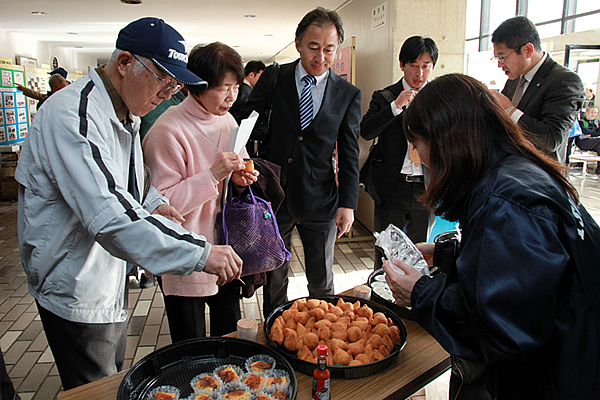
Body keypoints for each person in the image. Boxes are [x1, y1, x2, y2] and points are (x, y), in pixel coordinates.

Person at [14, 17, 242, 390]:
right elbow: (110, 215)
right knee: (96, 387)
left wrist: (154, 204)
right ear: (124, 63)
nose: (169, 93)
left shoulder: (124, 112)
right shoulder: (75, 116)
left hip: (107, 274)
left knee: (111, 377)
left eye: (175, 84)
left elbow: (134, 185)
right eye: (164, 80)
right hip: (76, 281)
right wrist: (201, 253)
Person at [383, 73, 600, 399]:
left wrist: (421, 293)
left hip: (547, 377)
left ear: (446, 141)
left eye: (418, 144)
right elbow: (519, 273)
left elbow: (498, 327)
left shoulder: (507, 201)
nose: (419, 156)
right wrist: (446, 254)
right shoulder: (513, 173)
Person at [243, 7, 361, 318]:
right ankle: (275, 332)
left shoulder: (347, 94)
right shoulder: (275, 77)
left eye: (329, 49)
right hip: (275, 196)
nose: (320, 57)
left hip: (321, 199)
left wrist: (348, 203)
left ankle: (323, 338)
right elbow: (247, 122)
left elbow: (349, 152)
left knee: (321, 282)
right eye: (313, 47)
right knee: (274, 278)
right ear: (297, 43)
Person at [143, 42, 258, 341]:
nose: (232, 96)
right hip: (186, 255)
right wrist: (213, 174)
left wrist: (238, 177)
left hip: (226, 247)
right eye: (223, 88)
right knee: (189, 344)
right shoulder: (166, 131)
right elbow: (162, 206)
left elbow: (235, 168)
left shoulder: (228, 120)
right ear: (196, 86)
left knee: (229, 338)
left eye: (236, 86)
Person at [360, 36, 437, 269]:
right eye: (414, 65)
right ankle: (381, 301)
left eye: (426, 66)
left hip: (426, 186)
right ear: (402, 64)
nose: (419, 73)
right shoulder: (384, 95)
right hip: (392, 186)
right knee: (386, 254)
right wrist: (395, 107)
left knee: (420, 255)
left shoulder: (438, 97)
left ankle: (415, 302)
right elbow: (366, 130)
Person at [489, 16, 585, 163]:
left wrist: (509, 110)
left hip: (539, 176)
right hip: (510, 170)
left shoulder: (565, 81)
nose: (499, 65)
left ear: (528, 50)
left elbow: (552, 139)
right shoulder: (514, 80)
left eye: (502, 57)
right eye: (497, 58)